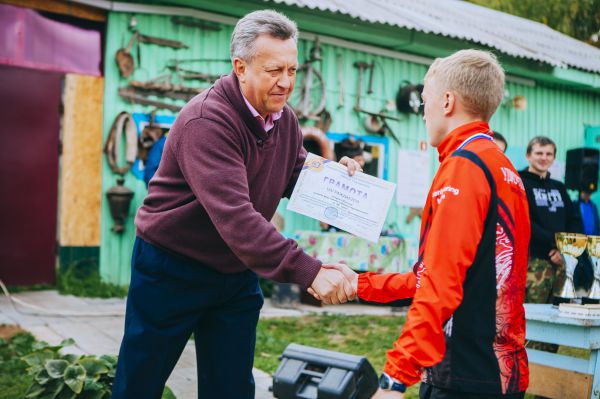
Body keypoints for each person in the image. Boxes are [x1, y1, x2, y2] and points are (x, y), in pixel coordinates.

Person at [112, 10, 361, 399]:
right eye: (274, 70)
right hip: (172, 268)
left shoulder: (284, 119)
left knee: (231, 387)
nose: (286, 83)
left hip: (235, 271)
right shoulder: (207, 121)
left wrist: (337, 180)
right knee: (140, 380)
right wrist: (309, 271)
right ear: (240, 67)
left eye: (293, 70)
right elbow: (237, 217)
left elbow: (294, 173)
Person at [314, 50, 531, 398]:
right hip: (501, 370)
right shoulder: (505, 168)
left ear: (447, 101)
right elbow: (442, 274)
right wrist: (360, 284)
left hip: (464, 373)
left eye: (425, 102)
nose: (423, 113)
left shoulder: (464, 167)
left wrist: (395, 378)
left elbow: (440, 284)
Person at [519, 137, 583, 306]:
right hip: (533, 263)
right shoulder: (520, 183)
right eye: (539, 153)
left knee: (560, 314)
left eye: (549, 154)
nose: (544, 157)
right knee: (532, 315)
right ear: (528, 156)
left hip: (562, 263)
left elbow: (574, 220)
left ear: (554, 158)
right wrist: (553, 244)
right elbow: (524, 221)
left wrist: (563, 250)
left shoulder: (559, 187)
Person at [574, 190, 599, 293]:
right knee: (578, 265)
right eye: (585, 192)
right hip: (579, 243)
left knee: (590, 268)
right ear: (581, 192)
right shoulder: (575, 205)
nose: (588, 195)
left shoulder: (593, 206)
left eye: (589, 193)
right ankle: (575, 287)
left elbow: (596, 223)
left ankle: (589, 288)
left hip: (591, 243)